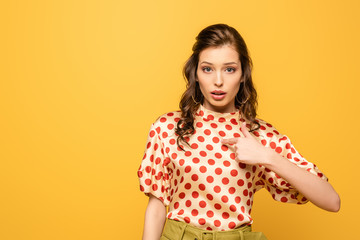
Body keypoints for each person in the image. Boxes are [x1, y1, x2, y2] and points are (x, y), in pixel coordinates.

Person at [137, 23, 340, 240]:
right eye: (207, 69)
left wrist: (267, 157)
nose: (218, 81)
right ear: (195, 73)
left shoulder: (259, 136)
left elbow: (332, 201)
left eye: (229, 69)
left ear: (243, 74)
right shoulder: (168, 127)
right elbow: (157, 207)